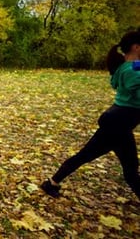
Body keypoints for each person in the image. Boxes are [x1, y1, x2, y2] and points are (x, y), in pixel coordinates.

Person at [41, 31, 140, 200]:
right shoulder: (130, 71)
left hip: (117, 122)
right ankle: (51, 182)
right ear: (136, 47)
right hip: (118, 123)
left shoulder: (127, 67)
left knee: (88, 156)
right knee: (130, 170)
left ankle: (51, 183)